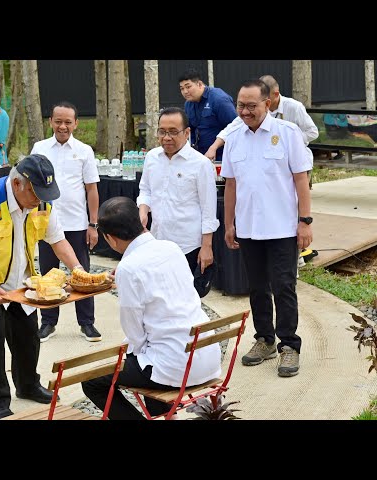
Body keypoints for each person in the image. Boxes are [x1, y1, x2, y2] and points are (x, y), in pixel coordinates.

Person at [0, 154, 84, 420]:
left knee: (27, 336)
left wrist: (78, 270)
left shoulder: (41, 203)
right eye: (36, 193)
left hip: (20, 280)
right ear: (17, 185)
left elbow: (57, 240)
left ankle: (27, 385)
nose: (40, 200)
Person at [81, 197, 221, 420]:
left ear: (110, 239)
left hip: (176, 367)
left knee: (93, 381)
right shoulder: (171, 247)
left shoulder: (128, 268)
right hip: (207, 355)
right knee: (145, 360)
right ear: (141, 222)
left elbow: (134, 332)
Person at [221, 79, 313, 378]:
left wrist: (305, 221)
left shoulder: (287, 134)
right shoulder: (234, 136)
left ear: (268, 104)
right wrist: (230, 224)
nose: (245, 111)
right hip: (248, 228)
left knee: (284, 286)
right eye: (240, 105)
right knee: (257, 287)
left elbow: (301, 179)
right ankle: (265, 339)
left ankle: (289, 345)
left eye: (251, 106)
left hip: (283, 228)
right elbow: (231, 184)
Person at [30, 101, 101, 342]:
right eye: (58, 121)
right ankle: (48, 323)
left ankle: (87, 323)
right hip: (46, 222)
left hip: (76, 224)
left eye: (68, 122)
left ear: (76, 124)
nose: (63, 126)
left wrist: (93, 224)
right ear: (50, 121)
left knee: (82, 275)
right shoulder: (39, 147)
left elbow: (91, 189)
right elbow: (32, 185)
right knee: (48, 275)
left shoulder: (84, 150)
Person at [136, 107, 219, 294]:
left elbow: (208, 210)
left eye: (173, 132)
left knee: (185, 300)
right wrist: (143, 210)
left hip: (187, 246)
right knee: (158, 297)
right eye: (162, 132)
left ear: (187, 133)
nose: (167, 137)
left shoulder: (200, 164)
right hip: (157, 240)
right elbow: (145, 189)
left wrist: (207, 247)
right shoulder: (151, 158)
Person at [207, 75, 319, 185]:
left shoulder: (294, 107)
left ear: (274, 95)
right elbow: (231, 129)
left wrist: (290, 141)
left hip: (296, 162)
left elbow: (312, 132)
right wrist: (214, 147)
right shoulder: (251, 111)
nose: (246, 110)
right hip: (268, 163)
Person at [178, 68, 237, 163]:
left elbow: (235, 127)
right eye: (182, 88)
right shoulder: (188, 104)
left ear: (200, 84)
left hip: (222, 157)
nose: (185, 91)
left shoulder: (219, 99)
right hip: (200, 157)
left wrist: (214, 147)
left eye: (188, 87)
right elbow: (190, 130)